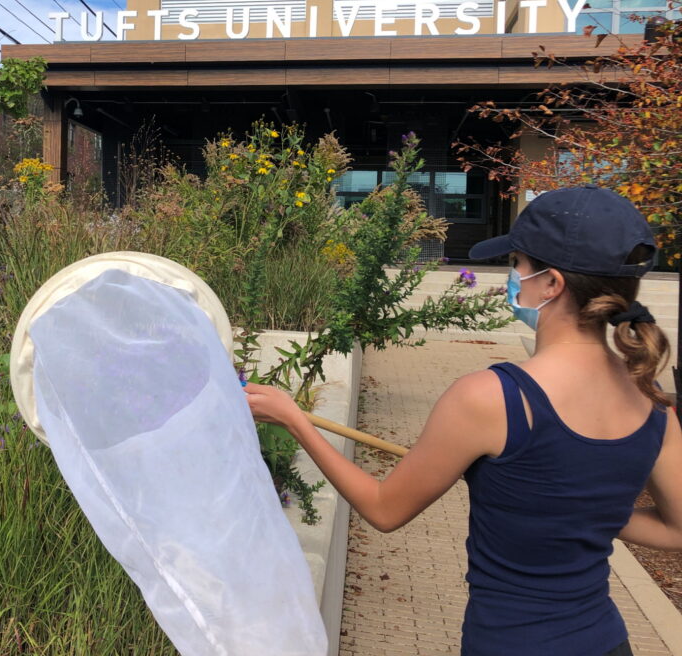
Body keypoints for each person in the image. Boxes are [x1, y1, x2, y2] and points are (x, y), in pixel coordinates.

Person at [244, 184, 682, 656]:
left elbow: (384, 508)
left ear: (551, 284)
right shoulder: (652, 402)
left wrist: (294, 418)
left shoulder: (490, 398)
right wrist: (578, 509)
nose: (511, 277)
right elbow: (676, 531)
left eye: (517, 264)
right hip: (608, 642)